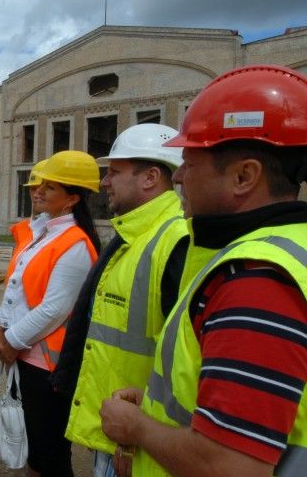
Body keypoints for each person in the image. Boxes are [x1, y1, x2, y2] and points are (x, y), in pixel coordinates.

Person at [100, 64, 307, 477]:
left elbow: (232, 466)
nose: (178, 177)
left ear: (244, 176)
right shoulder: (271, 252)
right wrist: (158, 407)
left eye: (190, 163)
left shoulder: (258, 280)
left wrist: (139, 429)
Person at [47, 124, 189, 477]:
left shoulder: (176, 242)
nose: (104, 181)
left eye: (114, 172)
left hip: (137, 441)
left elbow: (182, 363)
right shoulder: (133, 235)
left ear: (151, 177)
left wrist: (142, 434)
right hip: (120, 429)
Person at [0, 151, 101, 477]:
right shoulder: (40, 234)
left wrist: (10, 339)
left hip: (46, 366)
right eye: (37, 184)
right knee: (33, 448)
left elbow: (55, 308)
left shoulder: (76, 243)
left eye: (49, 187)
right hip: (24, 357)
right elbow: (15, 288)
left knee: (50, 451)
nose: (37, 190)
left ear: (71, 199)